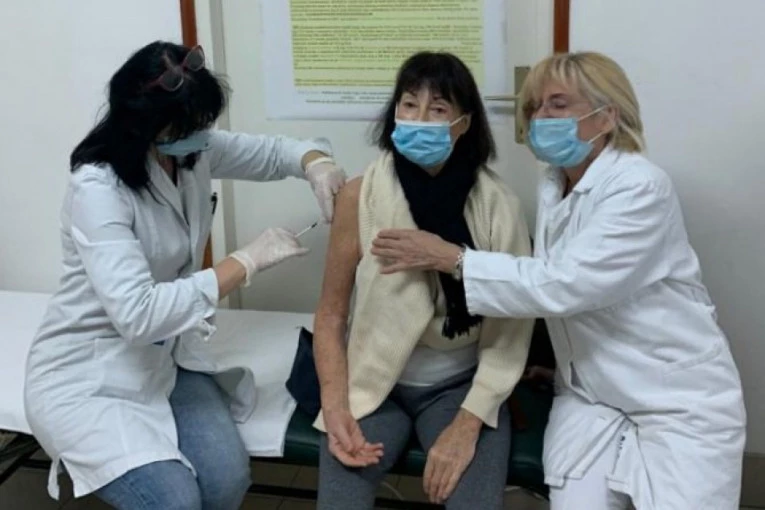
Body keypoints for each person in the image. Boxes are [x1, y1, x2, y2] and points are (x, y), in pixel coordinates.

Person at [370, 51, 747, 510]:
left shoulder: (640, 187)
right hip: (589, 394)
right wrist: (566, 361)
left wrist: (455, 259)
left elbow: (564, 284)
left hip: (674, 397)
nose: (540, 117)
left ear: (607, 115)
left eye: (558, 104)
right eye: (534, 106)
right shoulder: (554, 183)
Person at [23, 41, 346, 510]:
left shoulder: (189, 151)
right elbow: (138, 315)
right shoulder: (98, 188)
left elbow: (275, 153)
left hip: (168, 359)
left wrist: (316, 164)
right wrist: (245, 262)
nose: (202, 134)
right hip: (90, 375)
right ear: (144, 125)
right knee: (174, 501)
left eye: (202, 123)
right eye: (189, 126)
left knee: (227, 480)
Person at [312, 51, 533, 510]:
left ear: (463, 124)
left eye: (438, 109)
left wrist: (470, 421)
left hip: (462, 387)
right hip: (372, 382)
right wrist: (335, 405)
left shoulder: (497, 204)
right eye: (409, 104)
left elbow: (512, 327)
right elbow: (331, 314)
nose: (418, 119)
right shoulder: (360, 195)